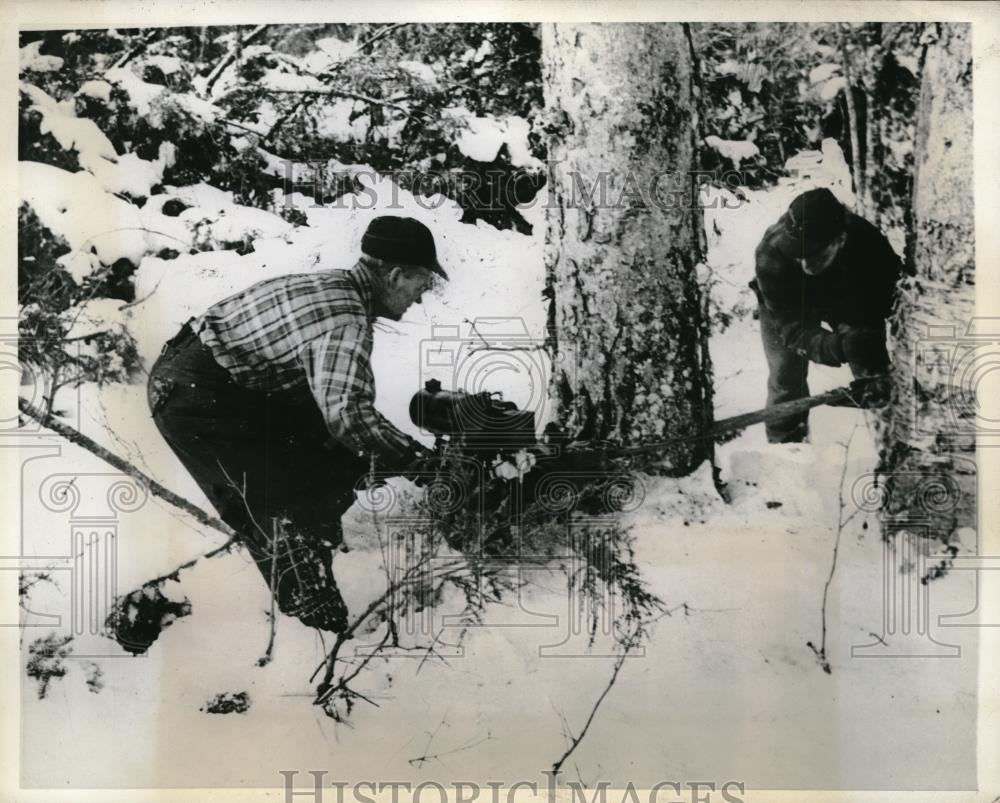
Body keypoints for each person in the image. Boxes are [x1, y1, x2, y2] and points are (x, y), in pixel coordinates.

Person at [147, 215, 446, 632]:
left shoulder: (336, 286)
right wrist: (423, 465)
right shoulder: (345, 320)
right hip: (198, 399)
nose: (420, 297)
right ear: (396, 276)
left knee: (330, 460)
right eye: (422, 284)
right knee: (280, 518)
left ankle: (327, 554)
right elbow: (348, 416)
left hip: (217, 379)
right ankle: (311, 630)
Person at [751, 187, 902, 443]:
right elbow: (792, 329)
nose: (807, 266)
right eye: (799, 256)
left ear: (841, 239)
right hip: (789, 303)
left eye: (816, 255)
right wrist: (834, 347)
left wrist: (860, 340)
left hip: (844, 295)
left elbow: (883, 301)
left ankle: (891, 438)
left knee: (873, 371)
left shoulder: (868, 244)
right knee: (785, 374)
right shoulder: (771, 253)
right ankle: (785, 444)